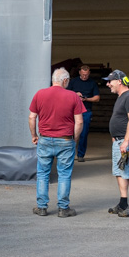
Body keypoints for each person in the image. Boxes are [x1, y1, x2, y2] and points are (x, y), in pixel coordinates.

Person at [28, 67, 86, 217]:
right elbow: (79, 122)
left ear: (53, 79)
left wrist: (34, 135)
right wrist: (75, 138)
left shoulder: (40, 94)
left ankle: (41, 207)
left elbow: (31, 117)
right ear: (65, 80)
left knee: (42, 174)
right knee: (64, 175)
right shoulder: (73, 96)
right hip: (65, 140)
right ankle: (63, 208)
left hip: (45, 139)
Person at [104, 70, 129, 217]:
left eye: (110, 81)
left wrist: (126, 141)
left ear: (119, 81)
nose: (108, 84)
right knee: (120, 172)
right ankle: (123, 203)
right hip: (120, 141)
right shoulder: (121, 97)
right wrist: (116, 138)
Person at [68, 64, 100, 162]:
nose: (84, 76)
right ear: (79, 73)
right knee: (70, 133)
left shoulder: (92, 83)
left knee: (83, 133)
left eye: (86, 75)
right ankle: (69, 154)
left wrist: (86, 99)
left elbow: (97, 98)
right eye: (83, 74)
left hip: (86, 111)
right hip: (72, 111)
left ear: (89, 73)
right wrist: (75, 95)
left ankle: (81, 155)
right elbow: (65, 94)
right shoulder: (73, 82)